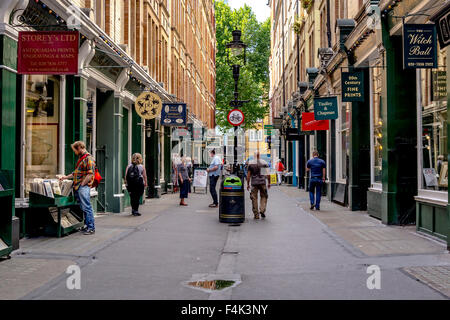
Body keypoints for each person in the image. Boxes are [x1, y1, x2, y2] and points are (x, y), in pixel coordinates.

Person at [59, 141, 96, 235]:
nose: (74, 152)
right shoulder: (82, 158)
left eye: (75, 150)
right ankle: (87, 226)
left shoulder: (88, 158)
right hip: (79, 186)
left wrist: (82, 184)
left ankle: (91, 228)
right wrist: (65, 177)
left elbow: (90, 173)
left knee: (87, 207)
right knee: (84, 207)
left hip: (82, 187)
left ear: (79, 148)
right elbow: (76, 173)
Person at [247, 151, 271, 219]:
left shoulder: (251, 163)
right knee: (264, 196)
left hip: (254, 183)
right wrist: (269, 183)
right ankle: (262, 210)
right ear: (259, 155)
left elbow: (248, 175)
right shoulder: (263, 162)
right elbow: (267, 174)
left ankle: (256, 214)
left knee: (254, 198)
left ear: (254, 155)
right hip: (262, 182)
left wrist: (248, 184)